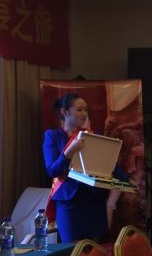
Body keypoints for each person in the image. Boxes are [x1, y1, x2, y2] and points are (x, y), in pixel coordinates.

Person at [43, 93, 130, 243]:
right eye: (79, 110)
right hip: (70, 203)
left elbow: (107, 163)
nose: (84, 114)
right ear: (64, 112)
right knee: (73, 250)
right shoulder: (53, 136)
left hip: (94, 200)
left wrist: (127, 178)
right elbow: (52, 170)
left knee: (94, 250)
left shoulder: (90, 135)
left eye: (85, 110)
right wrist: (69, 152)